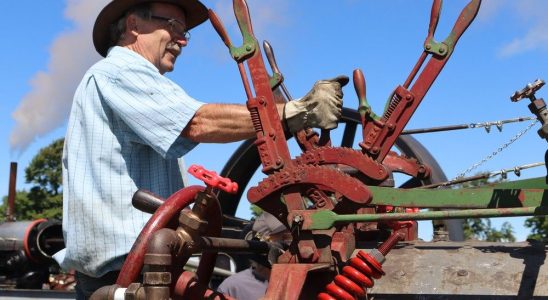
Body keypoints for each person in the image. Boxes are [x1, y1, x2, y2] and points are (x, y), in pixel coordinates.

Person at [57, 0, 348, 298]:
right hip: (125, 277)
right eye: (173, 27)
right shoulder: (119, 71)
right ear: (133, 25)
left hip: (147, 268)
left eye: (185, 32)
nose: (182, 40)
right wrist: (293, 113)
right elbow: (196, 123)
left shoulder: (127, 79)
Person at [217, 212, 290, 300]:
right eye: (285, 238)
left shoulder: (299, 277)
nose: (290, 243)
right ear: (262, 242)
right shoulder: (232, 287)